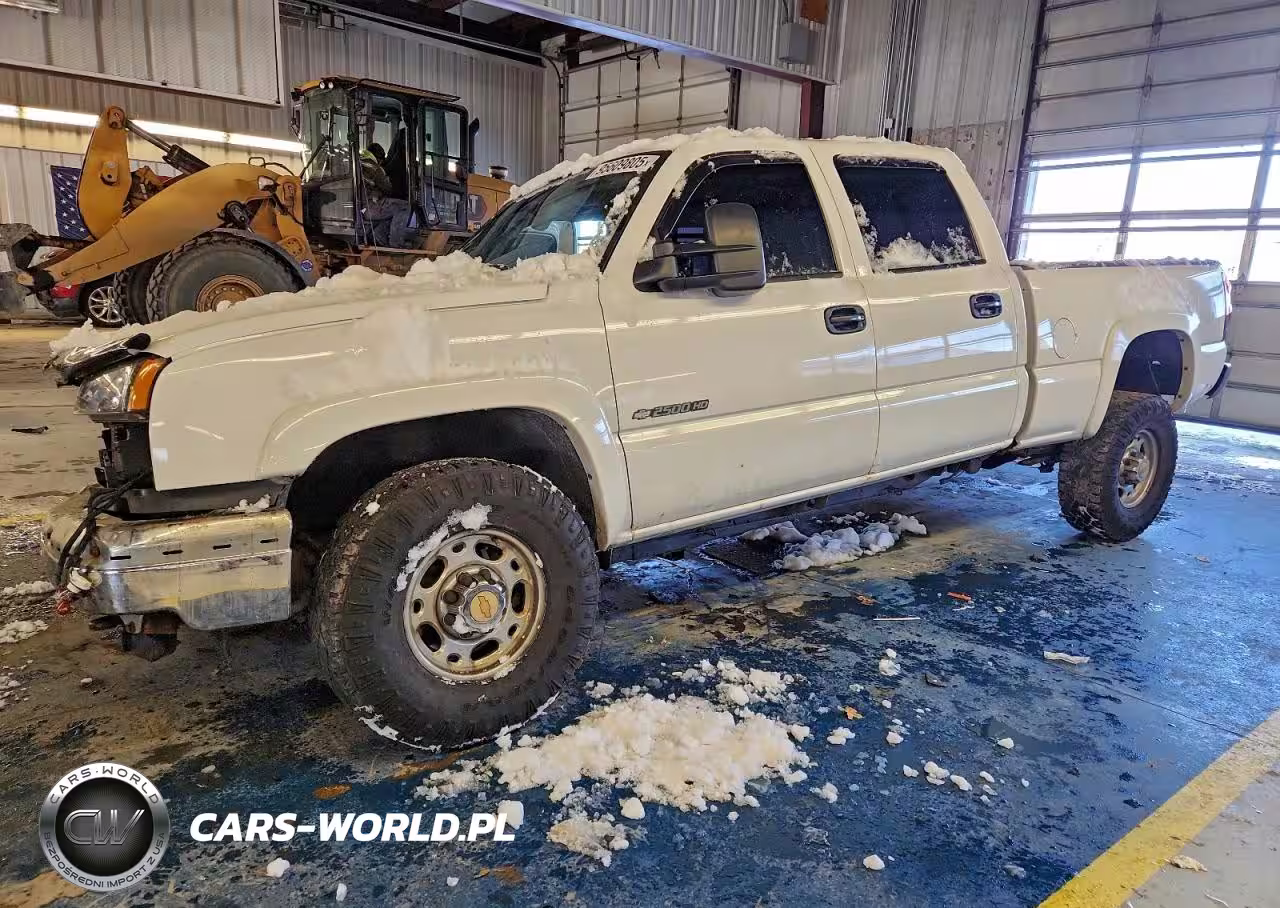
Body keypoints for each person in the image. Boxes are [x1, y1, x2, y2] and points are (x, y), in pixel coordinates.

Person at [361, 143, 413, 247]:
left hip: (361, 207)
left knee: (390, 207)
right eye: (381, 161)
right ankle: (396, 242)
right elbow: (388, 188)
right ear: (378, 158)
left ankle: (378, 235)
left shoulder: (360, 162)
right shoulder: (374, 168)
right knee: (404, 207)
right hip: (371, 207)